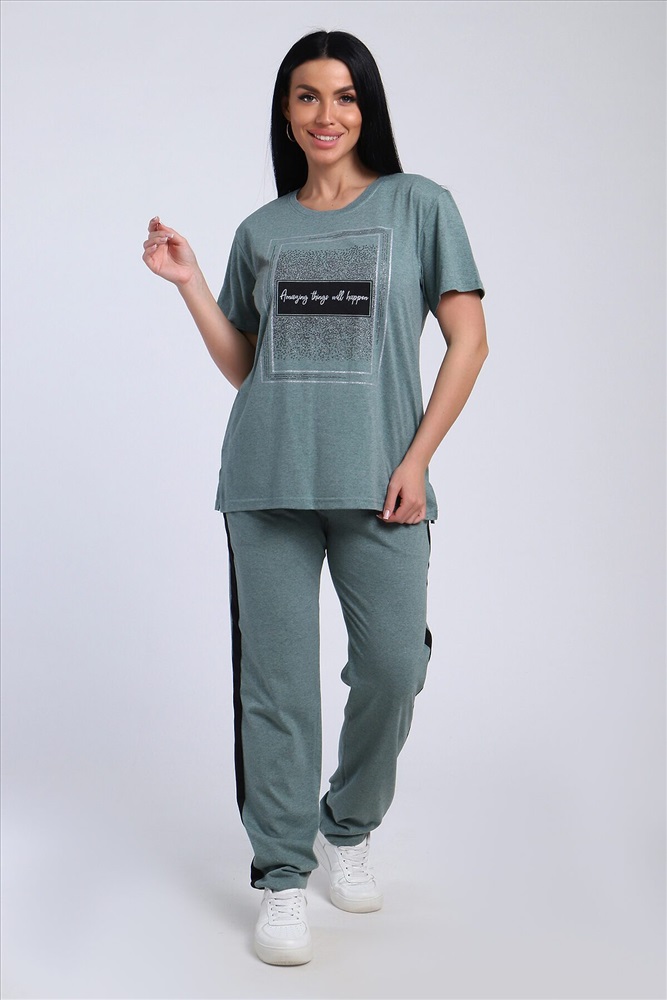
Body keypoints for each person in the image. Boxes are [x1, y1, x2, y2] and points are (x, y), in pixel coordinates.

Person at [142, 29, 488, 966]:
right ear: (286, 111)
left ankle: (348, 824)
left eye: (343, 96)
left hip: (382, 484)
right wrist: (190, 285)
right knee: (277, 689)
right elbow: (248, 365)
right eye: (306, 96)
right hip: (266, 482)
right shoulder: (263, 230)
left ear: (366, 108)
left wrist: (417, 459)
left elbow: (468, 342)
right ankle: (283, 878)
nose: (325, 114)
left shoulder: (420, 206)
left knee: (393, 667)